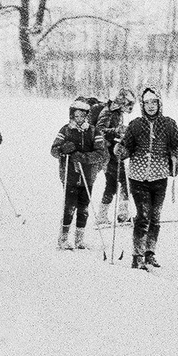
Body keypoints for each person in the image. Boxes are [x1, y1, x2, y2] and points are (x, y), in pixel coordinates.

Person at [115, 88, 178, 269]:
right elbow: (127, 148)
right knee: (143, 216)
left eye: (154, 102)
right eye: (147, 103)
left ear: (159, 104)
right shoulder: (135, 124)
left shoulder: (168, 124)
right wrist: (120, 151)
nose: (151, 106)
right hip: (138, 177)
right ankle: (137, 255)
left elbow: (176, 147)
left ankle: (150, 253)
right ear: (142, 105)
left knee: (155, 217)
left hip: (160, 176)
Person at [50, 98, 108, 250]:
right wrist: (63, 149)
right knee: (69, 206)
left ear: (87, 116)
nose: (79, 119)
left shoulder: (94, 131)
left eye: (82, 116)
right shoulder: (65, 130)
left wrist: (83, 157)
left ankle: (79, 240)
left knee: (84, 208)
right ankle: (62, 239)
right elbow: (54, 150)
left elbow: (101, 154)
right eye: (76, 116)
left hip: (88, 176)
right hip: (69, 175)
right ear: (72, 116)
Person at [95, 89, 137, 224]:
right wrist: (116, 131)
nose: (130, 108)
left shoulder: (117, 113)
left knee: (111, 185)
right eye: (129, 104)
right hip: (107, 154)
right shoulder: (108, 112)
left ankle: (102, 216)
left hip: (112, 153)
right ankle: (122, 215)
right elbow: (99, 130)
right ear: (121, 102)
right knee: (124, 182)